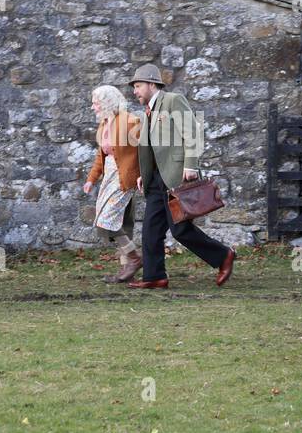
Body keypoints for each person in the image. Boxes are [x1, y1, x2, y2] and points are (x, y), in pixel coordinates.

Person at [126, 64, 235, 289]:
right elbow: (152, 148)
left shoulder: (173, 100)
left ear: (151, 84)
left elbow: (192, 132)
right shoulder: (148, 111)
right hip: (156, 180)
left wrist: (191, 164)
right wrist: (143, 176)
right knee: (150, 230)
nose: (134, 91)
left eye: (137, 86)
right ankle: (155, 276)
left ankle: (223, 256)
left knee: (180, 230)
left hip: (175, 176)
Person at [82, 84, 143, 283]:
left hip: (124, 178)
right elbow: (101, 157)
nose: (93, 107)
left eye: (96, 103)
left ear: (107, 102)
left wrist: (143, 175)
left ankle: (134, 259)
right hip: (109, 176)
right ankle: (127, 267)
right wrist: (91, 179)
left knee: (106, 220)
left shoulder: (130, 121)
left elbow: (145, 150)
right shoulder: (104, 123)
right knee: (119, 222)